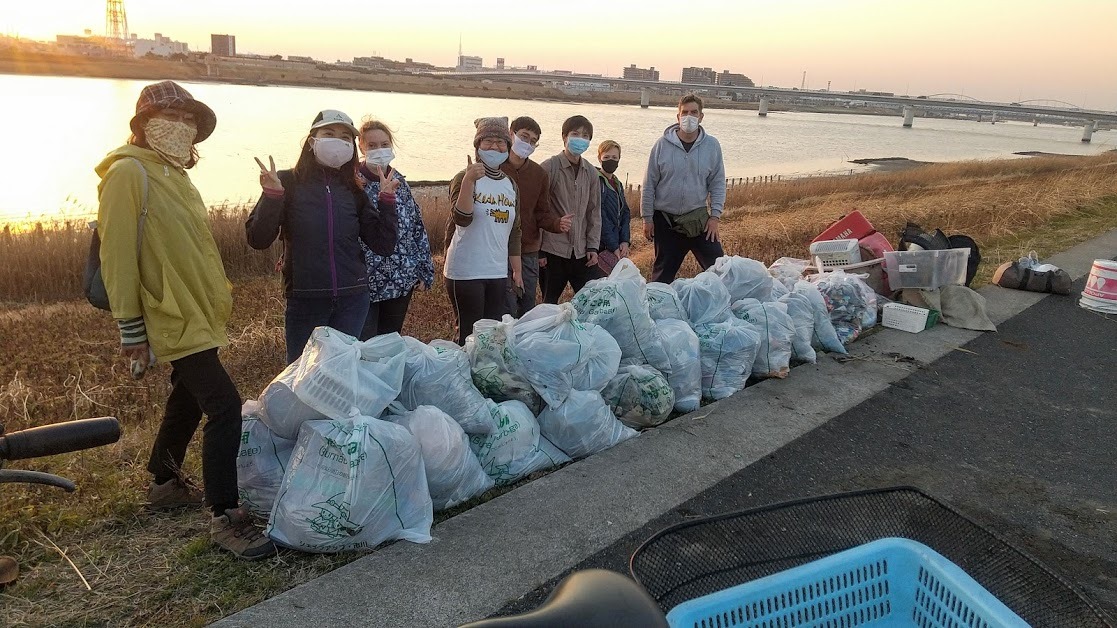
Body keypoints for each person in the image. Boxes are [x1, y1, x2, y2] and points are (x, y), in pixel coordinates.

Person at [96, 81, 275, 559]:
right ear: (142, 122)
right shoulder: (128, 173)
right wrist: (131, 329)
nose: (179, 126)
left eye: (187, 119)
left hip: (196, 310)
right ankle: (225, 516)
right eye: (168, 116)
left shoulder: (175, 173)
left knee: (187, 398)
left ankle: (163, 480)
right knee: (223, 405)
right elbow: (117, 256)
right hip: (169, 312)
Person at [246, 110, 398, 363]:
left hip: (353, 298)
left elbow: (383, 244)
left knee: (342, 373)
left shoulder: (353, 189)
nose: (337, 142)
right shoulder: (286, 182)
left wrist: (387, 201)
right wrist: (272, 197)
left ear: (352, 147)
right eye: (329, 134)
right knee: (301, 373)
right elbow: (258, 239)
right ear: (311, 141)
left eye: (345, 138)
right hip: (306, 297)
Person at [445, 117, 523, 345]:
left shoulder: (510, 184)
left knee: (490, 333)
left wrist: (516, 271)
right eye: (488, 141)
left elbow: (515, 230)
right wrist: (469, 180)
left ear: (508, 148)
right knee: (467, 334)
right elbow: (462, 219)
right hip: (466, 271)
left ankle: (482, 375)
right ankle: (459, 376)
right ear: (478, 146)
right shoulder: (464, 177)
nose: (495, 147)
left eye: (501, 142)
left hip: (497, 271)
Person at [355, 118, 434, 339]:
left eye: (384, 144)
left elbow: (416, 226)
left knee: (390, 343)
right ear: (361, 146)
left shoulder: (399, 181)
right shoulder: (353, 183)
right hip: (363, 281)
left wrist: (421, 268)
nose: (379, 150)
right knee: (365, 345)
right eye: (372, 145)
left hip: (400, 278)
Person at [641, 94, 727, 284]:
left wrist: (715, 217)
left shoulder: (712, 146)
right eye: (685, 113)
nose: (689, 117)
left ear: (701, 116)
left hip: (699, 221)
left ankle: (724, 307)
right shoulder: (661, 145)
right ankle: (656, 309)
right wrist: (647, 218)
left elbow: (718, 182)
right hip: (666, 222)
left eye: (694, 112)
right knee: (661, 278)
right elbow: (649, 184)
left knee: (720, 270)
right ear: (678, 116)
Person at [539, 115, 602, 303]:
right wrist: (539, 250)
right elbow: (539, 209)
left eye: (585, 136)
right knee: (549, 302)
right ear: (564, 137)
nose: (580, 139)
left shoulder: (590, 172)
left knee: (590, 302)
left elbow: (594, 211)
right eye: (575, 134)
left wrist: (593, 246)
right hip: (553, 250)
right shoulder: (550, 167)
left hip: (582, 251)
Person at [594, 140, 632, 276]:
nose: (611, 161)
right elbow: (599, 216)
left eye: (614, 158)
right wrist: (613, 245)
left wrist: (625, 240)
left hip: (616, 243)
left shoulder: (617, 183)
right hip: (600, 246)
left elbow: (625, 213)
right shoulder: (596, 182)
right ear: (599, 158)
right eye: (607, 157)